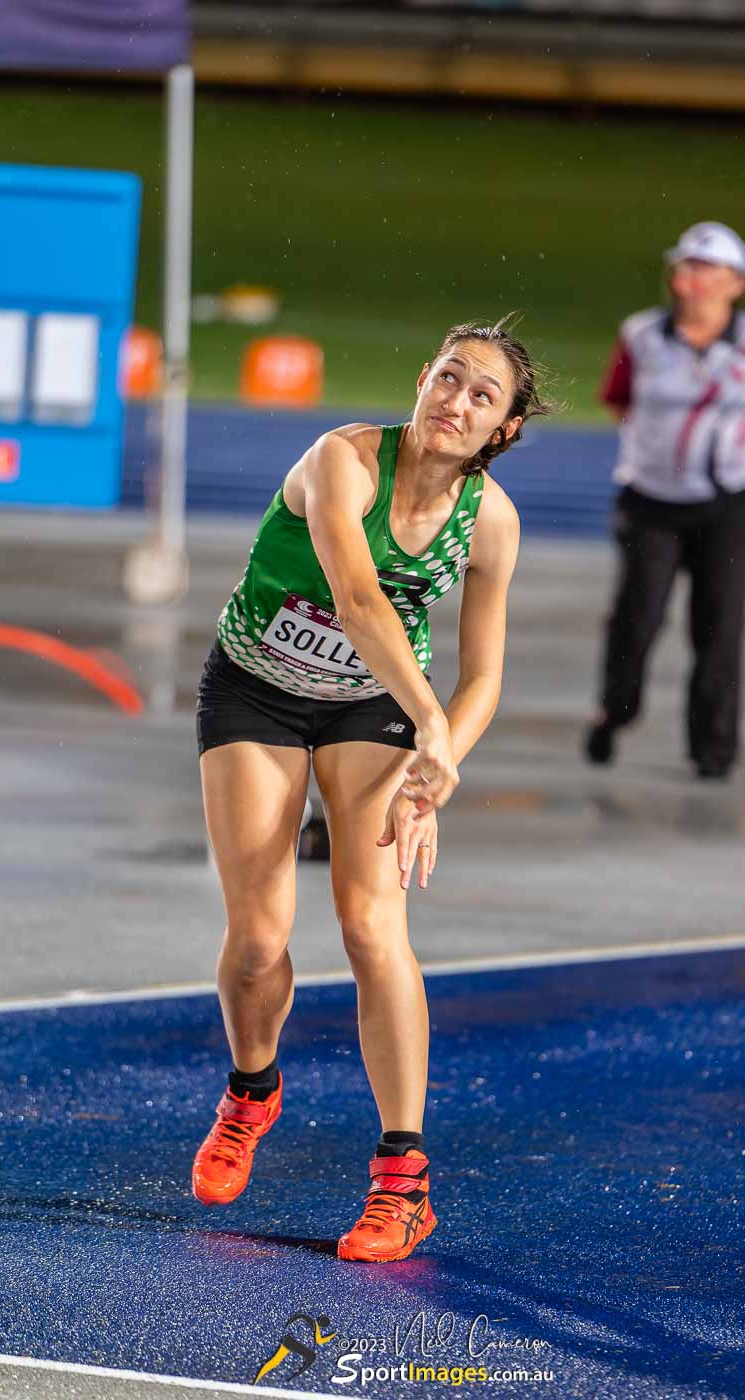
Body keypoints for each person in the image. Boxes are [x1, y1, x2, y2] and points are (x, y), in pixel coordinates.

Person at [192, 318, 549, 1262]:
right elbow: (356, 600)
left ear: (502, 430)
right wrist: (431, 720)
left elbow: (483, 679)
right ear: (421, 379)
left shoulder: (493, 523)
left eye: (483, 396)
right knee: (260, 936)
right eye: (448, 377)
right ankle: (251, 1090)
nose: (456, 400)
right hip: (257, 688)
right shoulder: (344, 460)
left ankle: (403, 1178)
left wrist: (440, 758)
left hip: (374, 712)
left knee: (371, 925)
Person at [586, 221, 745, 780]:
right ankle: (614, 714)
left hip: (732, 505)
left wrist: (724, 458)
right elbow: (617, 400)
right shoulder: (642, 336)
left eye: (707, 268)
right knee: (637, 617)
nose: (692, 277)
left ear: (736, 282)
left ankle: (714, 749)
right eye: (686, 265)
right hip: (651, 502)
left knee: (720, 624)